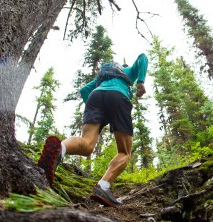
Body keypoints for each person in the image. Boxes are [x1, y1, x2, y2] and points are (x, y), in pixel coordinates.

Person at [36, 53, 148, 207]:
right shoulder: (127, 72)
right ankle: (103, 187)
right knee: (125, 153)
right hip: (118, 97)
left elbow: (84, 90)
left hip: (95, 97)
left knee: (87, 144)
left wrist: (99, 113)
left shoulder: (102, 78)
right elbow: (143, 57)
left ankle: (60, 149)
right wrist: (140, 82)